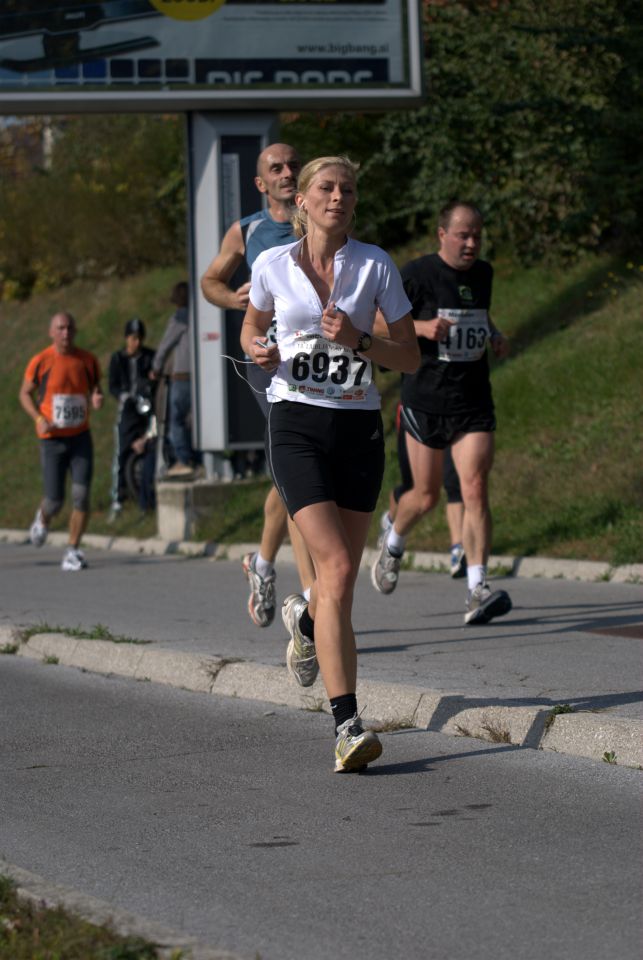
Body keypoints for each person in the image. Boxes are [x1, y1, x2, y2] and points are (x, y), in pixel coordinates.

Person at [240, 155, 420, 772]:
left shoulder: (375, 264)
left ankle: (305, 621)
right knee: (338, 565)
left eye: (348, 188)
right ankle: (347, 726)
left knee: (337, 584)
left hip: (357, 427)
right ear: (303, 203)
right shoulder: (269, 266)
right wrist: (259, 351)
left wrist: (361, 341)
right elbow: (251, 329)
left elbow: (412, 357)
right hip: (295, 424)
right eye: (326, 187)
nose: (338, 196)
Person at [371, 201, 512, 625]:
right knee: (426, 496)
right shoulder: (416, 274)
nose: (471, 244)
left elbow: (476, 313)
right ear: (442, 235)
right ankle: (393, 542)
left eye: (477, 236)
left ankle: (477, 588)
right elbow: (376, 322)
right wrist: (421, 327)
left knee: (474, 487)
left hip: (472, 401)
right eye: (463, 235)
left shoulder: (483, 273)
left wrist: (494, 332)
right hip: (425, 398)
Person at [201, 142, 316, 628]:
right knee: (298, 471)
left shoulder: (321, 217)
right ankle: (315, 602)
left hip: (316, 362)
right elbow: (209, 280)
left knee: (287, 475)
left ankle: (262, 565)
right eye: (277, 168)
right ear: (260, 183)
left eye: (293, 165)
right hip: (266, 362)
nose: (288, 173)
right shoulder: (247, 230)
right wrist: (233, 298)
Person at [19, 311, 104, 571]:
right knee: (54, 501)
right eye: (60, 328)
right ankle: (43, 519)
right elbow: (24, 393)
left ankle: (72, 550)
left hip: (80, 437)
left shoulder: (87, 360)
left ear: (75, 331)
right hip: (52, 439)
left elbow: (95, 389)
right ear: (51, 332)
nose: (65, 333)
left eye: (69, 328)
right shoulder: (41, 361)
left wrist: (96, 399)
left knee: (81, 495)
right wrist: (38, 418)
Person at [380, 406, 467, 578]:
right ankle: (390, 521)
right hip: (418, 412)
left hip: (454, 410)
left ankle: (458, 550)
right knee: (412, 488)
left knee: (454, 483)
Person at [108, 316, 156, 518]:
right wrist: (123, 395)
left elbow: (153, 377)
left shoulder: (149, 356)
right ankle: (118, 496)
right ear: (126, 338)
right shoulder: (118, 359)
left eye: (139, 338)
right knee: (122, 451)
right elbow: (113, 385)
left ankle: (146, 489)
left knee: (150, 443)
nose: (136, 342)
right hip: (128, 410)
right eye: (132, 338)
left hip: (145, 406)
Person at [151, 281, 196, 478]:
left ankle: (184, 460)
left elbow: (165, 345)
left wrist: (156, 367)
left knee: (175, 421)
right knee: (193, 420)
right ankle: (198, 458)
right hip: (199, 378)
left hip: (181, 377)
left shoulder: (179, 318)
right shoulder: (200, 316)